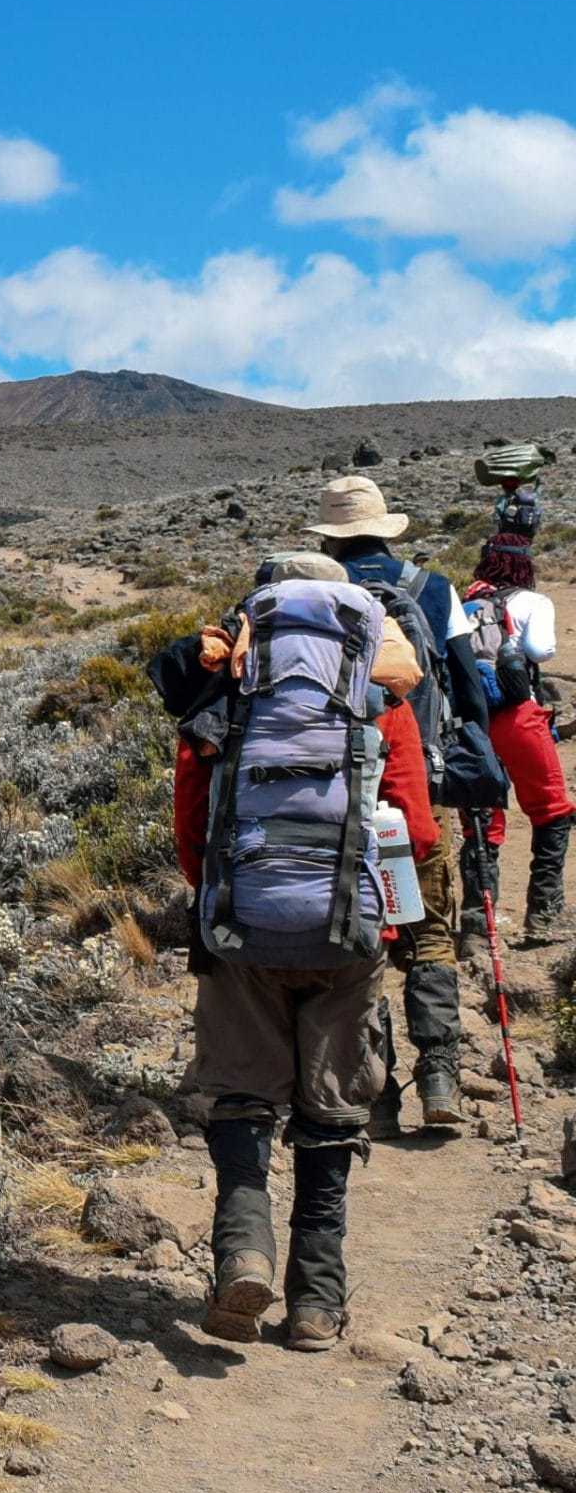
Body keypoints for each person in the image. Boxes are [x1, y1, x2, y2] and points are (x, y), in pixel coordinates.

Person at [170, 553, 396, 1350]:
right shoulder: (378, 700)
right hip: (346, 939)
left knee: (241, 1100)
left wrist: (222, 902)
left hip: (241, 932)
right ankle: (316, 1304)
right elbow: (417, 832)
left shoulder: (225, 703)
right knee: (331, 1113)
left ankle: (243, 1255)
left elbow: (191, 827)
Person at [300, 474, 473, 1132]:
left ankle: (379, 1095)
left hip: (334, 799)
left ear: (329, 536)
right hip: (417, 788)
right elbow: (465, 686)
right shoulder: (433, 590)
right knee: (430, 934)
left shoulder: (313, 602)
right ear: (387, 527)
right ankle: (439, 1078)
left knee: (364, 935)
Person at [461, 527, 574, 950]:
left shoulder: (466, 601)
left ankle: (476, 927)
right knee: (550, 811)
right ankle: (542, 918)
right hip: (519, 715)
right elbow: (542, 649)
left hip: (473, 722)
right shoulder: (533, 601)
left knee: (482, 823)